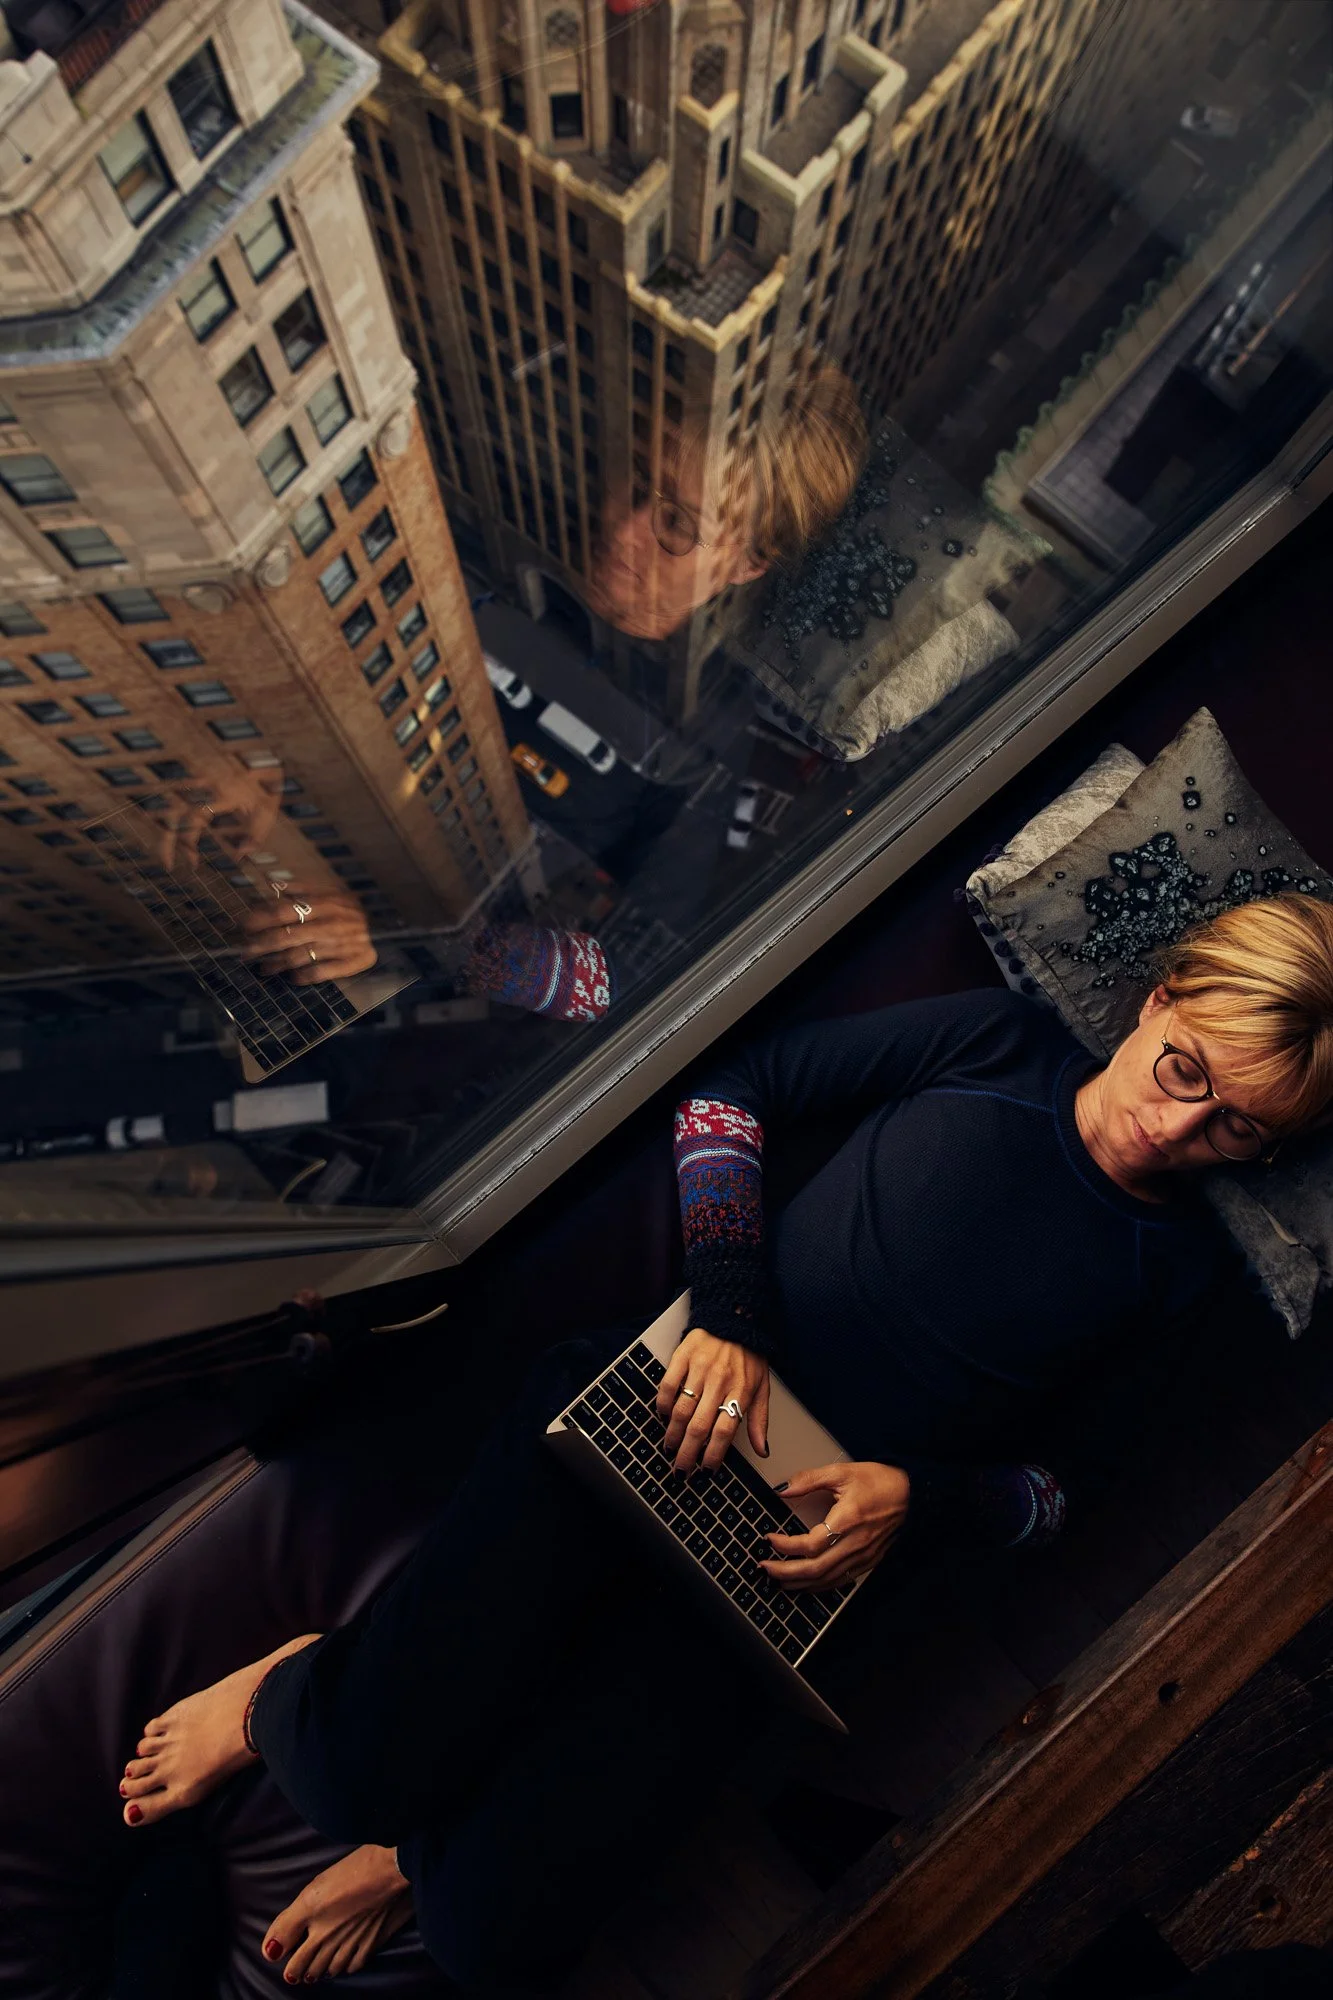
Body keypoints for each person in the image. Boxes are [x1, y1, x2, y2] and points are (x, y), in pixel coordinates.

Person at [111, 891, 1333, 1989]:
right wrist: (732, 1313)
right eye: (1184, 1072)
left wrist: (923, 1498)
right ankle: (290, 1680)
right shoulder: (993, 1042)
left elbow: (1066, 1492)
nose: (1179, 1133)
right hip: (653, 1421)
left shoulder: (1176, 1273)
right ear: (1158, 997)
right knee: (339, 1772)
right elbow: (727, 1093)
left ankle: (403, 1842)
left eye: (1236, 1131)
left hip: (781, 1572)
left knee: (491, 1941)